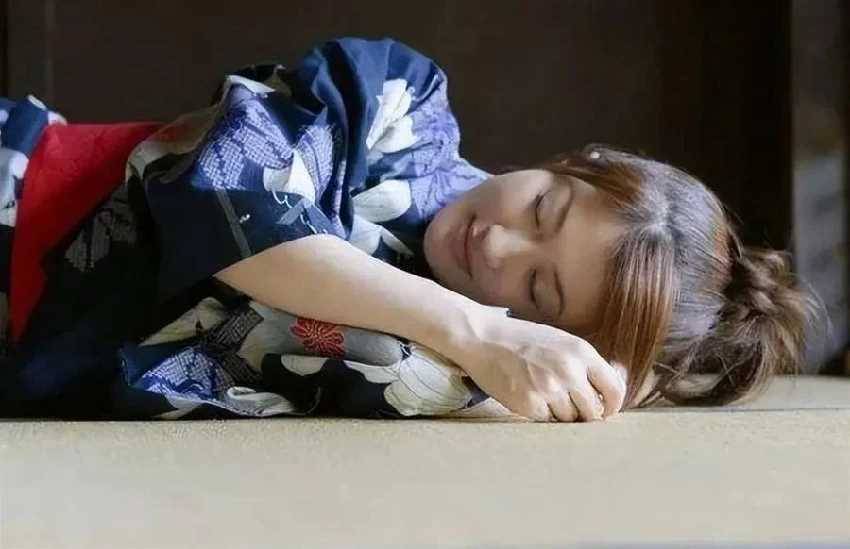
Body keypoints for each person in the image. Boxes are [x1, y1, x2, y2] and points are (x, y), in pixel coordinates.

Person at [0, 36, 817, 421]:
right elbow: (231, 199)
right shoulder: (395, 100)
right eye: (543, 207)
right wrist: (478, 328)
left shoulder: (455, 369)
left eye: (539, 288)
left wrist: (595, 378)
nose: (498, 244)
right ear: (575, 160)